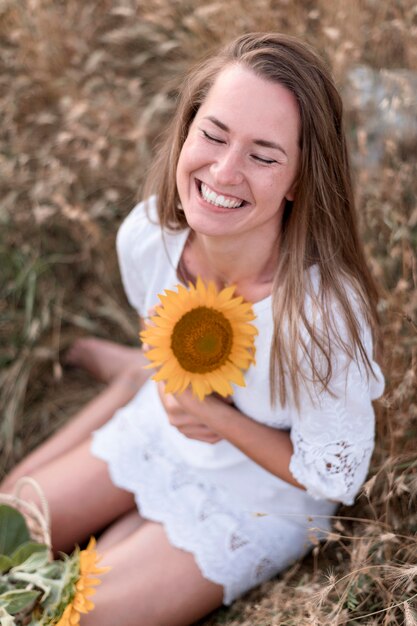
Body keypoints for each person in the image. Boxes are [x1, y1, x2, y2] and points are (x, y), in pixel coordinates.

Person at [1, 32, 384, 626]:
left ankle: (132, 399)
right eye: (212, 134)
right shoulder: (150, 236)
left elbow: (334, 477)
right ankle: (131, 381)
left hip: (257, 496)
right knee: (8, 527)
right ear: (185, 130)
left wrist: (213, 415)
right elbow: (164, 340)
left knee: (67, 617)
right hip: (161, 430)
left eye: (263, 155)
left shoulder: (320, 317)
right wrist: (174, 395)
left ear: (301, 179)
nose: (225, 171)